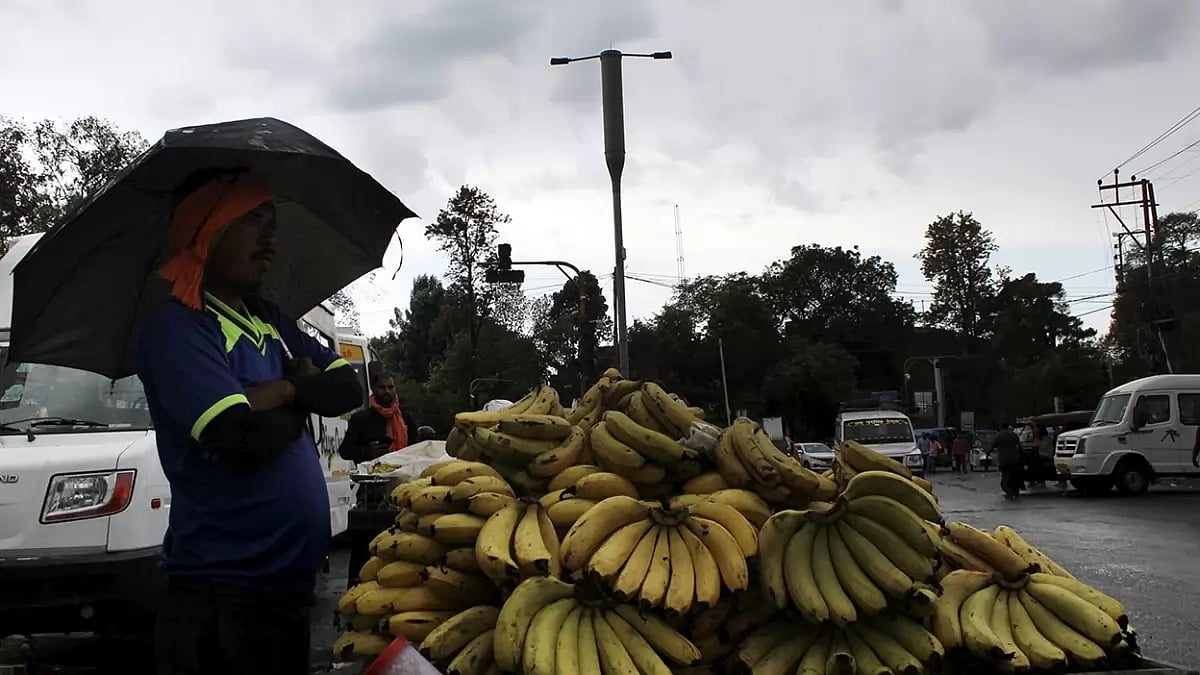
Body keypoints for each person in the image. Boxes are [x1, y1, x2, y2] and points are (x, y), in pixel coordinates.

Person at [136, 170, 363, 675]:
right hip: (221, 601)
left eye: (272, 222)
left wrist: (284, 391)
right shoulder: (180, 328)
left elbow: (349, 388)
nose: (269, 236)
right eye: (251, 219)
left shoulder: (269, 319)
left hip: (282, 593)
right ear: (206, 232)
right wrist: (305, 390)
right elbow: (240, 436)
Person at [339, 371, 416, 462]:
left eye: (390, 387)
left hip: (403, 468)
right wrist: (367, 452)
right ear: (373, 389)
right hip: (371, 469)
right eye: (382, 387)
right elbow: (345, 451)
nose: (387, 391)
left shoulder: (406, 418)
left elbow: (416, 449)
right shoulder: (360, 419)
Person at [992, 423, 1023, 500]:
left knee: (1005, 478)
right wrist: (1021, 455)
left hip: (1004, 460)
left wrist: (987, 454)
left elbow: (992, 446)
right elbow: (1020, 446)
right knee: (1014, 476)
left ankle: (1010, 493)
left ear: (1001, 427)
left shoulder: (999, 436)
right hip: (1014, 460)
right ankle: (1015, 492)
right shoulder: (1014, 435)